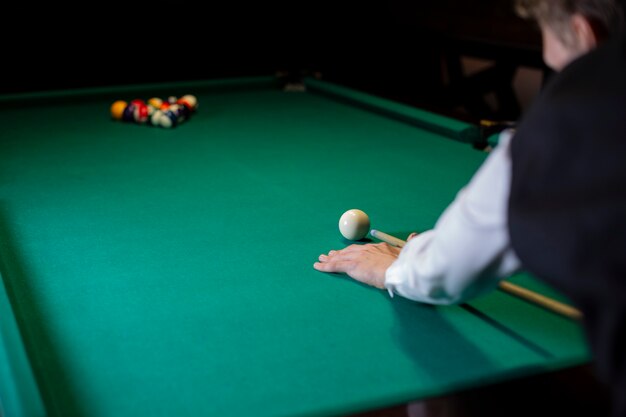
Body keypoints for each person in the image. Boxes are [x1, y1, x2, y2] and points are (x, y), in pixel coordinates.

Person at [314, 0, 625, 415]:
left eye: (561, 67)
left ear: (587, 34)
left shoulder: (563, 128)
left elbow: (444, 268)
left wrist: (394, 268)